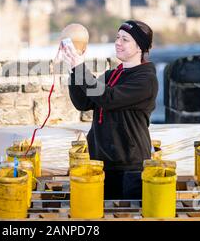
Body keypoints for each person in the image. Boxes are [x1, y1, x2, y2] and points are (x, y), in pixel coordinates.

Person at [61, 20, 158, 200]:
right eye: (117, 37)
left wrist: (79, 68)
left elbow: (108, 98)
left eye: (125, 39)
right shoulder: (111, 75)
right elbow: (83, 103)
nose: (118, 43)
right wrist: (73, 71)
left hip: (130, 167)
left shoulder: (146, 80)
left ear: (140, 47)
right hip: (101, 163)